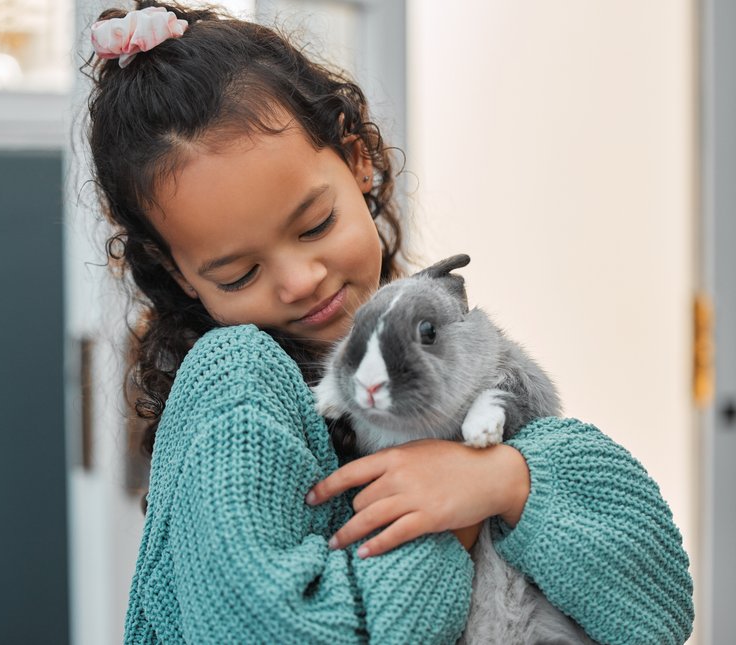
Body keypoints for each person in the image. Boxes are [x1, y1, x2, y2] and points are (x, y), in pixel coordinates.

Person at [85, 3, 694, 643]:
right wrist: (449, 525)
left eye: (315, 225)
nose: (299, 280)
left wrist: (505, 481)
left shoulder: (440, 342)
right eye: (238, 273)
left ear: (358, 162)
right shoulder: (237, 383)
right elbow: (272, 628)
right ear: (180, 274)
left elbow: (654, 613)